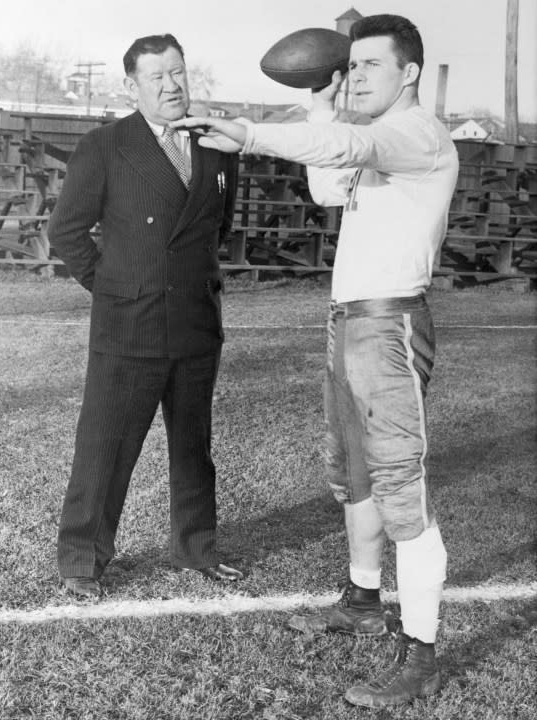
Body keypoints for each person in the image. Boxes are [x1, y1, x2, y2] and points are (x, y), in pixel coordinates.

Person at [172, 13, 458, 709]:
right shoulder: (374, 140)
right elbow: (331, 183)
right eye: (349, 64)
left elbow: (346, 144)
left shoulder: (413, 133)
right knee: (351, 476)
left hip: (387, 325)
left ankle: (420, 655)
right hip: (349, 323)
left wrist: (247, 132)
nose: (353, 75)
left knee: (399, 489)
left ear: (409, 72)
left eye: (369, 65)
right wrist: (314, 98)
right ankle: (362, 597)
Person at [49, 33, 242, 600]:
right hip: (128, 323)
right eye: (157, 77)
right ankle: (82, 558)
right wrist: (114, 288)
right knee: (104, 447)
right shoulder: (106, 145)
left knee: (192, 447)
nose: (171, 85)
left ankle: (198, 548)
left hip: (194, 321)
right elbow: (66, 231)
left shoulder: (218, 145)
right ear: (132, 86)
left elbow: (217, 228)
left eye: (178, 72)